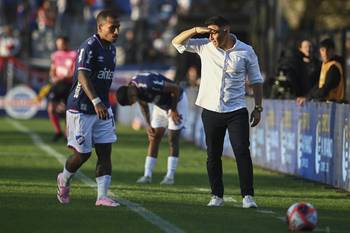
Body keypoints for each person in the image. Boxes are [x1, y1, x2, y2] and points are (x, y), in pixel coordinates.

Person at [172, 16, 263, 208]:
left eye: (215, 32)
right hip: (211, 110)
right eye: (210, 32)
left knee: (241, 151)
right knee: (213, 154)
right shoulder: (204, 46)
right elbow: (176, 42)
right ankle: (216, 195)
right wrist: (197, 30)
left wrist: (258, 107)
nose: (212, 36)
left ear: (226, 30)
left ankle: (248, 196)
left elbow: (256, 80)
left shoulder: (246, 51)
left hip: (236, 109)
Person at [56, 9, 120, 207]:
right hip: (82, 106)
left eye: (118, 27)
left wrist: (103, 103)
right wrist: (96, 101)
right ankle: (64, 178)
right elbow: (82, 75)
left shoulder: (112, 49)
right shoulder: (89, 46)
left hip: (102, 108)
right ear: (100, 27)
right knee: (83, 154)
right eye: (112, 28)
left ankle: (102, 196)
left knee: (105, 152)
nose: (116, 31)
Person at [116, 72, 187, 185]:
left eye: (132, 99)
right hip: (160, 106)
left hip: (177, 102)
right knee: (154, 137)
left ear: (130, 91)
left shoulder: (148, 83)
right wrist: (148, 125)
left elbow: (175, 89)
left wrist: (173, 110)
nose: (134, 101)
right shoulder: (134, 89)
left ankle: (170, 176)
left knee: (172, 138)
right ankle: (147, 175)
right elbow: (143, 105)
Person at [296, 38, 344, 105]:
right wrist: (306, 97)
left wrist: (308, 98)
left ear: (333, 51)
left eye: (328, 50)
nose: (325, 53)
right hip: (327, 106)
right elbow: (319, 85)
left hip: (334, 106)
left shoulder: (334, 67)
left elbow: (325, 88)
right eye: (322, 50)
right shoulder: (325, 65)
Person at [47, 36, 77, 141]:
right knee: (51, 108)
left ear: (67, 43)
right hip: (57, 85)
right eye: (58, 44)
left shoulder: (74, 54)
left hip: (69, 85)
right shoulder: (55, 55)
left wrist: (64, 77)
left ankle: (67, 134)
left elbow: (75, 72)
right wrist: (53, 77)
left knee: (69, 111)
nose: (59, 46)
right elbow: (53, 69)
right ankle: (58, 131)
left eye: (61, 44)